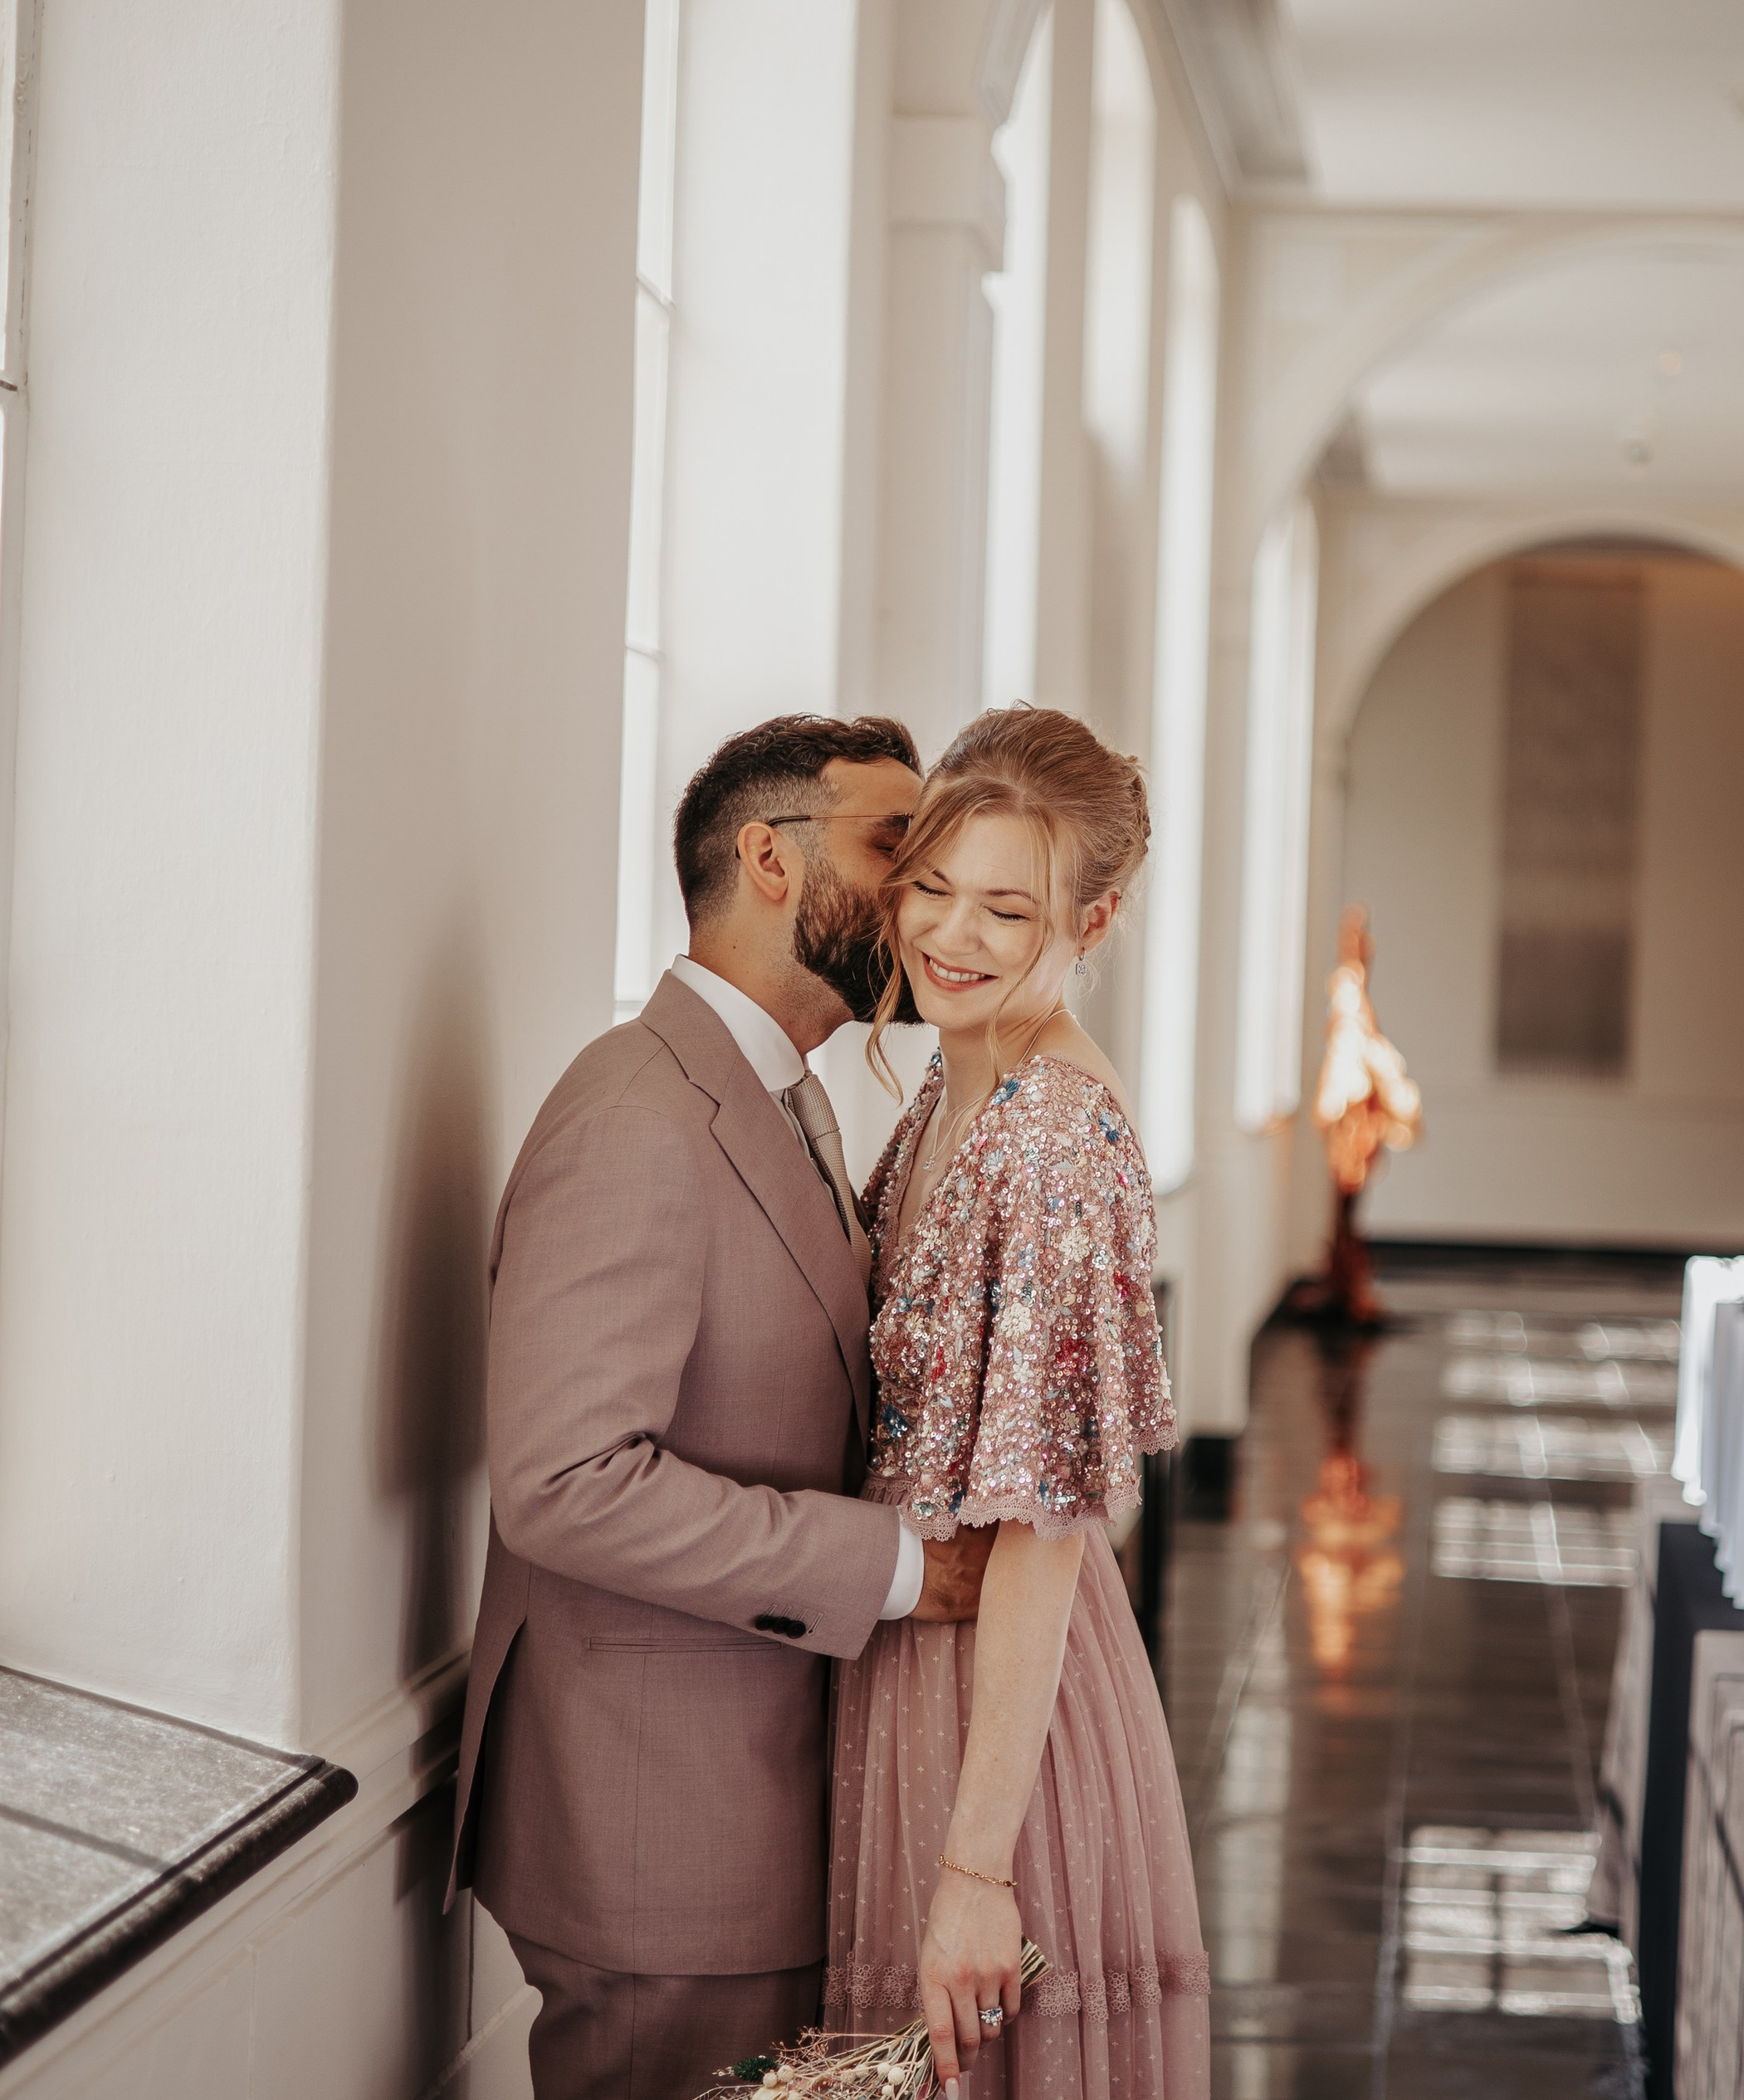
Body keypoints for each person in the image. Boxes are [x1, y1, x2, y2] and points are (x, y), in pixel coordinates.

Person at [446, 714, 995, 2096]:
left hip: (746, 1796)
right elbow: (566, 1482)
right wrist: (900, 1571)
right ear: (767, 857)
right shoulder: (637, 1112)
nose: (925, 889)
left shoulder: (780, 1094)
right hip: (659, 1826)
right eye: (895, 846)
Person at [826, 706, 1211, 2098]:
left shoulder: (1055, 1134)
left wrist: (977, 1868)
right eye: (933, 887)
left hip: (1000, 1696)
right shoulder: (957, 1074)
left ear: (1091, 922)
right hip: (919, 1640)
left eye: (1007, 908)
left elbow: (1047, 1532)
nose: (951, 936)